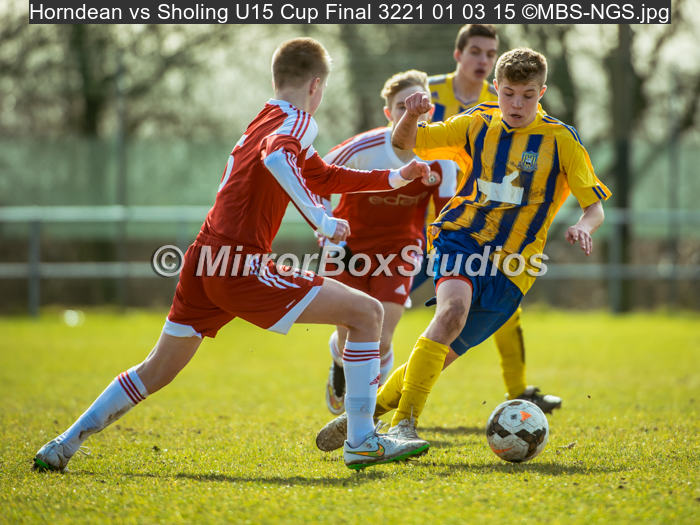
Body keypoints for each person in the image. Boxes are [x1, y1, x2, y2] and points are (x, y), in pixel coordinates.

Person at [33, 38, 433, 473]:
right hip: (240, 264)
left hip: (204, 258)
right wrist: (320, 218)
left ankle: (64, 443)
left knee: (157, 368)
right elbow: (278, 158)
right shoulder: (298, 120)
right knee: (368, 313)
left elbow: (321, 175)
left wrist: (396, 177)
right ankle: (362, 441)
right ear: (316, 85)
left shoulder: (265, 116)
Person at [316, 47, 610, 452]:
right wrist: (411, 115)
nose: (517, 104)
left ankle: (366, 414)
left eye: (527, 95)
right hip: (463, 238)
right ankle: (403, 426)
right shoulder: (476, 123)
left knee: (442, 355)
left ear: (541, 92)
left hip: (514, 268)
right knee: (450, 313)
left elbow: (594, 207)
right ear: (496, 88)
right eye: (508, 94)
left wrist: (583, 225)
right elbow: (406, 142)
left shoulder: (562, 140)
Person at [414, 24, 562, 413]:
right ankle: (351, 367)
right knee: (384, 301)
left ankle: (518, 391)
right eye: (476, 52)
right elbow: (401, 138)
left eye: (490, 54)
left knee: (505, 313)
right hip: (419, 221)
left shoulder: (506, 99)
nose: (483, 60)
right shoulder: (427, 92)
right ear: (458, 54)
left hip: (476, 228)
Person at [318, 70, 459, 415]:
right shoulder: (362, 148)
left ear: (430, 111)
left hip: (400, 251)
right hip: (347, 251)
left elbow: (445, 216)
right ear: (388, 113)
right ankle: (338, 362)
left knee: (381, 339)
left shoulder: (442, 159)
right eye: (402, 106)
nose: (412, 112)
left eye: (420, 105)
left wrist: (449, 257)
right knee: (348, 338)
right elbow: (314, 180)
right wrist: (325, 228)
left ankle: (368, 415)